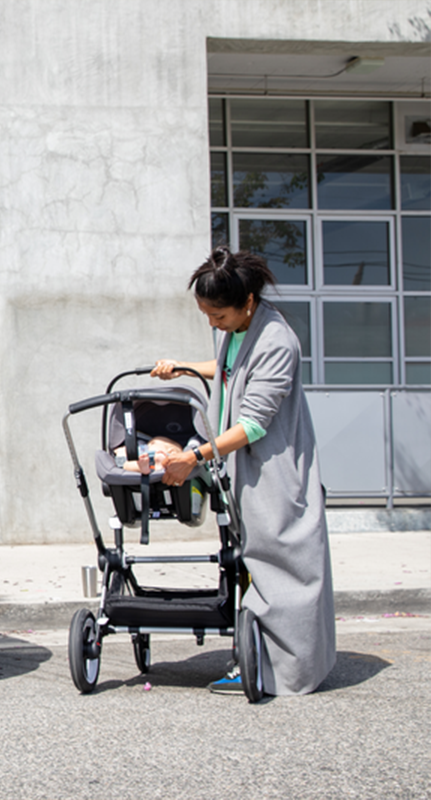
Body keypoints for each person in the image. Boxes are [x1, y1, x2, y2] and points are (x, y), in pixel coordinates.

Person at [151, 246, 335, 697]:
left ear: (247, 303)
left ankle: (284, 671)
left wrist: (194, 457)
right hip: (244, 471)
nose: (213, 324)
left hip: (274, 471)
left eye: (218, 315)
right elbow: (231, 369)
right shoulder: (239, 329)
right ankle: (257, 657)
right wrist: (185, 367)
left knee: (283, 567)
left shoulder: (277, 341)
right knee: (252, 566)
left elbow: (253, 423)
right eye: (206, 315)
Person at [112, 436, 183, 474]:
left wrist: (121, 451)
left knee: (127, 465)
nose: (149, 445)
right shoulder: (172, 452)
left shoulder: (145, 449)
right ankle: (159, 467)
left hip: (146, 461)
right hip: (155, 460)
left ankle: (141, 468)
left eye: (152, 443)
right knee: (127, 464)